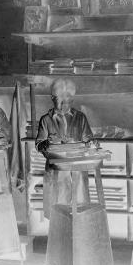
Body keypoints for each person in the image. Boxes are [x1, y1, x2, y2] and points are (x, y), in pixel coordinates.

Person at [35, 78, 93, 218]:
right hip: (57, 171)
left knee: (80, 210)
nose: (62, 105)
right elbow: (38, 144)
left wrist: (91, 142)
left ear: (72, 100)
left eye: (66, 101)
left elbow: (88, 138)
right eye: (59, 101)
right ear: (52, 98)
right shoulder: (46, 120)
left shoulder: (80, 117)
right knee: (59, 211)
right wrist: (46, 144)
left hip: (77, 168)